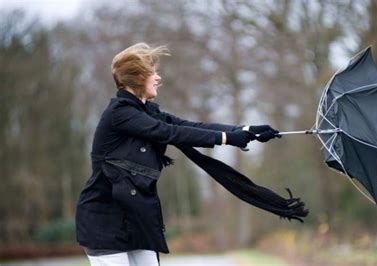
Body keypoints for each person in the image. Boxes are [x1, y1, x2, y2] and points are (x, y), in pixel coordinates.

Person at [75, 42, 281, 266]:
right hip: (104, 221)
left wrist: (244, 131)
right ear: (136, 77)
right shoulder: (120, 114)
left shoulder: (147, 112)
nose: (158, 78)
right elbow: (169, 132)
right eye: (151, 72)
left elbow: (189, 125)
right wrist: (227, 138)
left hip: (136, 219)